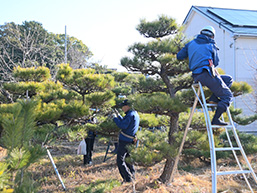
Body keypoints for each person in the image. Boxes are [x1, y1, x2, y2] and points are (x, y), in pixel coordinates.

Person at [177, 26, 233, 126]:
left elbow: (179, 56)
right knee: (227, 95)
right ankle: (216, 119)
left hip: (196, 76)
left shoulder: (191, 43)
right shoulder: (211, 44)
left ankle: (213, 99)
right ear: (212, 36)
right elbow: (216, 62)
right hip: (206, 73)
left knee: (228, 79)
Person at [112, 99, 140, 183]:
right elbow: (125, 122)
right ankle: (132, 175)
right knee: (128, 159)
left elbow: (122, 125)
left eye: (123, 106)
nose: (122, 108)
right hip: (130, 140)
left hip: (125, 140)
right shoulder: (134, 113)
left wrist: (114, 118)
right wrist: (119, 116)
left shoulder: (130, 115)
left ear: (128, 106)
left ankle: (128, 178)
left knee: (120, 160)